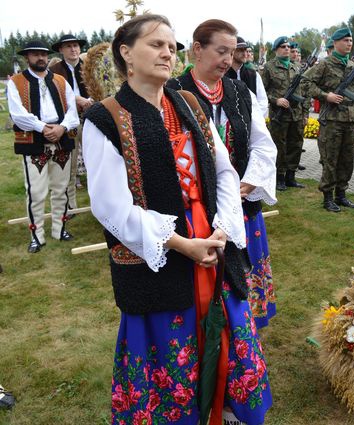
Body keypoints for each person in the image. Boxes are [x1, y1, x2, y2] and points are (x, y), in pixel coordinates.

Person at [82, 15, 272, 423]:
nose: (168, 52)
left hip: (212, 237)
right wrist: (182, 244)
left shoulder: (186, 102)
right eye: (156, 44)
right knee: (171, 342)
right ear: (126, 53)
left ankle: (227, 407)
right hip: (159, 250)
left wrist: (223, 226)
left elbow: (222, 169)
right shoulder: (105, 118)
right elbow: (110, 207)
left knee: (227, 325)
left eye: (171, 45)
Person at [167, 19, 278, 333]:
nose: (229, 59)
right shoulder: (173, 92)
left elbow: (261, 142)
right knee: (206, 276)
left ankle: (245, 328)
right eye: (221, 51)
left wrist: (250, 180)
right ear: (197, 50)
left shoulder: (239, 90)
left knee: (244, 271)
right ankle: (209, 330)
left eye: (232, 52)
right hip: (197, 209)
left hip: (241, 202)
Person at [7, 40, 80, 253]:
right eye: (35, 54)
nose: (40, 58)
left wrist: (62, 127)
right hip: (33, 142)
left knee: (61, 189)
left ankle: (60, 229)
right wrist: (43, 127)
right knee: (36, 193)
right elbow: (18, 114)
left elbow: (72, 112)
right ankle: (36, 235)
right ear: (27, 57)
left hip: (61, 140)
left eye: (43, 54)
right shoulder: (17, 82)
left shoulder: (60, 81)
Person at [302, 28, 354, 212]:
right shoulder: (325, 64)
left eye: (351, 40)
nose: (349, 43)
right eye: (345, 40)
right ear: (336, 42)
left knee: (347, 160)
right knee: (330, 160)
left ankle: (342, 194)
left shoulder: (353, 66)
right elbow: (305, 83)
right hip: (331, 120)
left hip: (350, 120)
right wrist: (325, 96)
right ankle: (328, 197)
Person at [50, 33, 93, 209]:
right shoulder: (54, 71)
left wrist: (90, 100)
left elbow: (100, 87)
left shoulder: (89, 67)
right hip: (69, 121)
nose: (73, 49)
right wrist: (78, 100)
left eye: (75, 45)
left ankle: (99, 202)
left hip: (91, 118)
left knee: (96, 160)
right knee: (71, 163)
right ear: (61, 50)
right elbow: (56, 94)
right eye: (68, 46)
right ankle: (71, 204)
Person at [261, 36, 307, 191]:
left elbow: (303, 92)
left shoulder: (296, 67)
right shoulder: (269, 67)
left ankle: (291, 177)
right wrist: (276, 100)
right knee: (279, 146)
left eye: (288, 46)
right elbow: (262, 92)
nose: (287, 49)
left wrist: (305, 113)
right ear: (276, 49)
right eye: (283, 46)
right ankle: (279, 178)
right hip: (279, 115)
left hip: (296, 114)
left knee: (296, 145)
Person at [225, 36, 269, 118]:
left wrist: (253, 119)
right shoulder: (223, 75)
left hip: (252, 121)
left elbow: (262, 101)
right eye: (240, 50)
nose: (245, 53)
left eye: (246, 50)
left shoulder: (254, 75)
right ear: (232, 51)